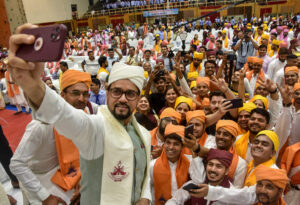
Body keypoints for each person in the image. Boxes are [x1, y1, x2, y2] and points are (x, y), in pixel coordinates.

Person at [8, 24, 151, 204]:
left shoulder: (143, 134)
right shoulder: (96, 127)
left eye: (130, 94)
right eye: (116, 91)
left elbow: (143, 174)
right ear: (107, 93)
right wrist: (33, 85)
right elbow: (63, 114)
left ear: (138, 98)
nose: (122, 98)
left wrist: (145, 197)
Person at [10, 70, 93, 204]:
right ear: (62, 95)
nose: (81, 99)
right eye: (75, 93)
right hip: (40, 179)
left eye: (85, 94)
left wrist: (83, 179)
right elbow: (17, 164)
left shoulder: (85, 113)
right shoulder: (41, 126)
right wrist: (45, 196)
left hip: (71, 173)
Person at [165, 149, 233, 205]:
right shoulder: (198, 182)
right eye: (210, 164)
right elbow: (176, 200)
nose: (213, 169)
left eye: (219, 166)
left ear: (226, 171)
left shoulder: (231, 192)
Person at [194, 165, 289, 205]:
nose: (262, 190)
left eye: (269, 187)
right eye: (260, 185)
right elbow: (241, 195)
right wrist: (210, 191)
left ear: (280, 191)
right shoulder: (257, 195)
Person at [150, 124, 191, 204]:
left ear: (183, 146)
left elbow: (198, 181)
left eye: (176, 144)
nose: (171, 147)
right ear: (163, 144)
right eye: (168, 143)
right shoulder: (152, 165)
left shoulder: (190, 163)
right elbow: (148, 190)